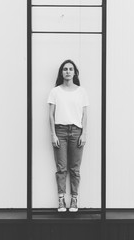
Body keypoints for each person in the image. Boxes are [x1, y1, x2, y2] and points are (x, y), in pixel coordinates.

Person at [47, 59, 89, 212]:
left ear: (74, 72)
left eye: (71, 69)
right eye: (65, 69)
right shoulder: (55, 91)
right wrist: (53, 134)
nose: (68, 71)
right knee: (61, 168)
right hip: (60, 131)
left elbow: (84, 115)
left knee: (75, 168)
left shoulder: (81, 91)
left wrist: (84, 133)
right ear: (61, 72)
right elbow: (51, 115)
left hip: (76, 131)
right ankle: (61, 200)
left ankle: (74, 200)